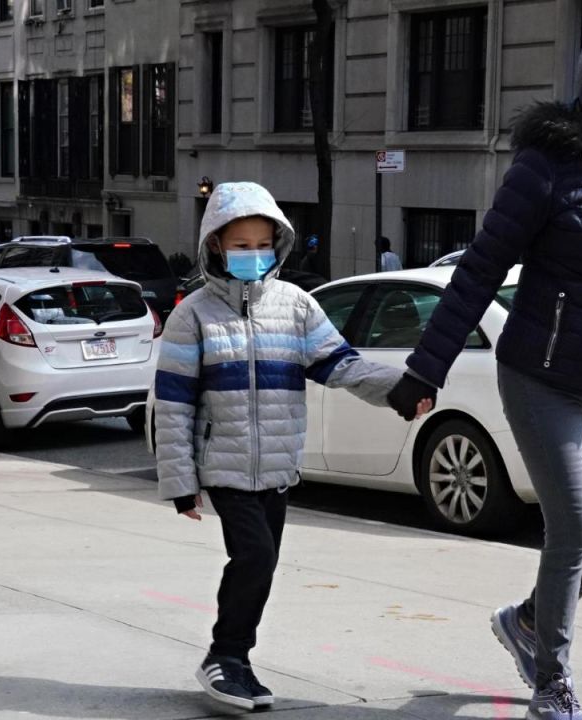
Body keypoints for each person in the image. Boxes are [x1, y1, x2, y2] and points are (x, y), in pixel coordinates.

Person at [384, 18, 582, 720]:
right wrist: (425, 370)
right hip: (539, 377)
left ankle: (526, 622)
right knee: (575, 531)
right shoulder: (544, 169)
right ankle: (550, 681)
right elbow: (478, 272)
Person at [151, 181, 430, 711]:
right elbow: (173, 402)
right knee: (253, 556)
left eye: (262, 245)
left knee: (263, 563)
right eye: (241, 245)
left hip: (278, 466)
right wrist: (181, 483)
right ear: (215, 244)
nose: (252, 255)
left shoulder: (297, 306)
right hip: (224, 464)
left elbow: (339, 364)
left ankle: (238, 659)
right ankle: (223, 657)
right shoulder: (193, 316)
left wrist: (398, 387)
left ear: (277, 245)